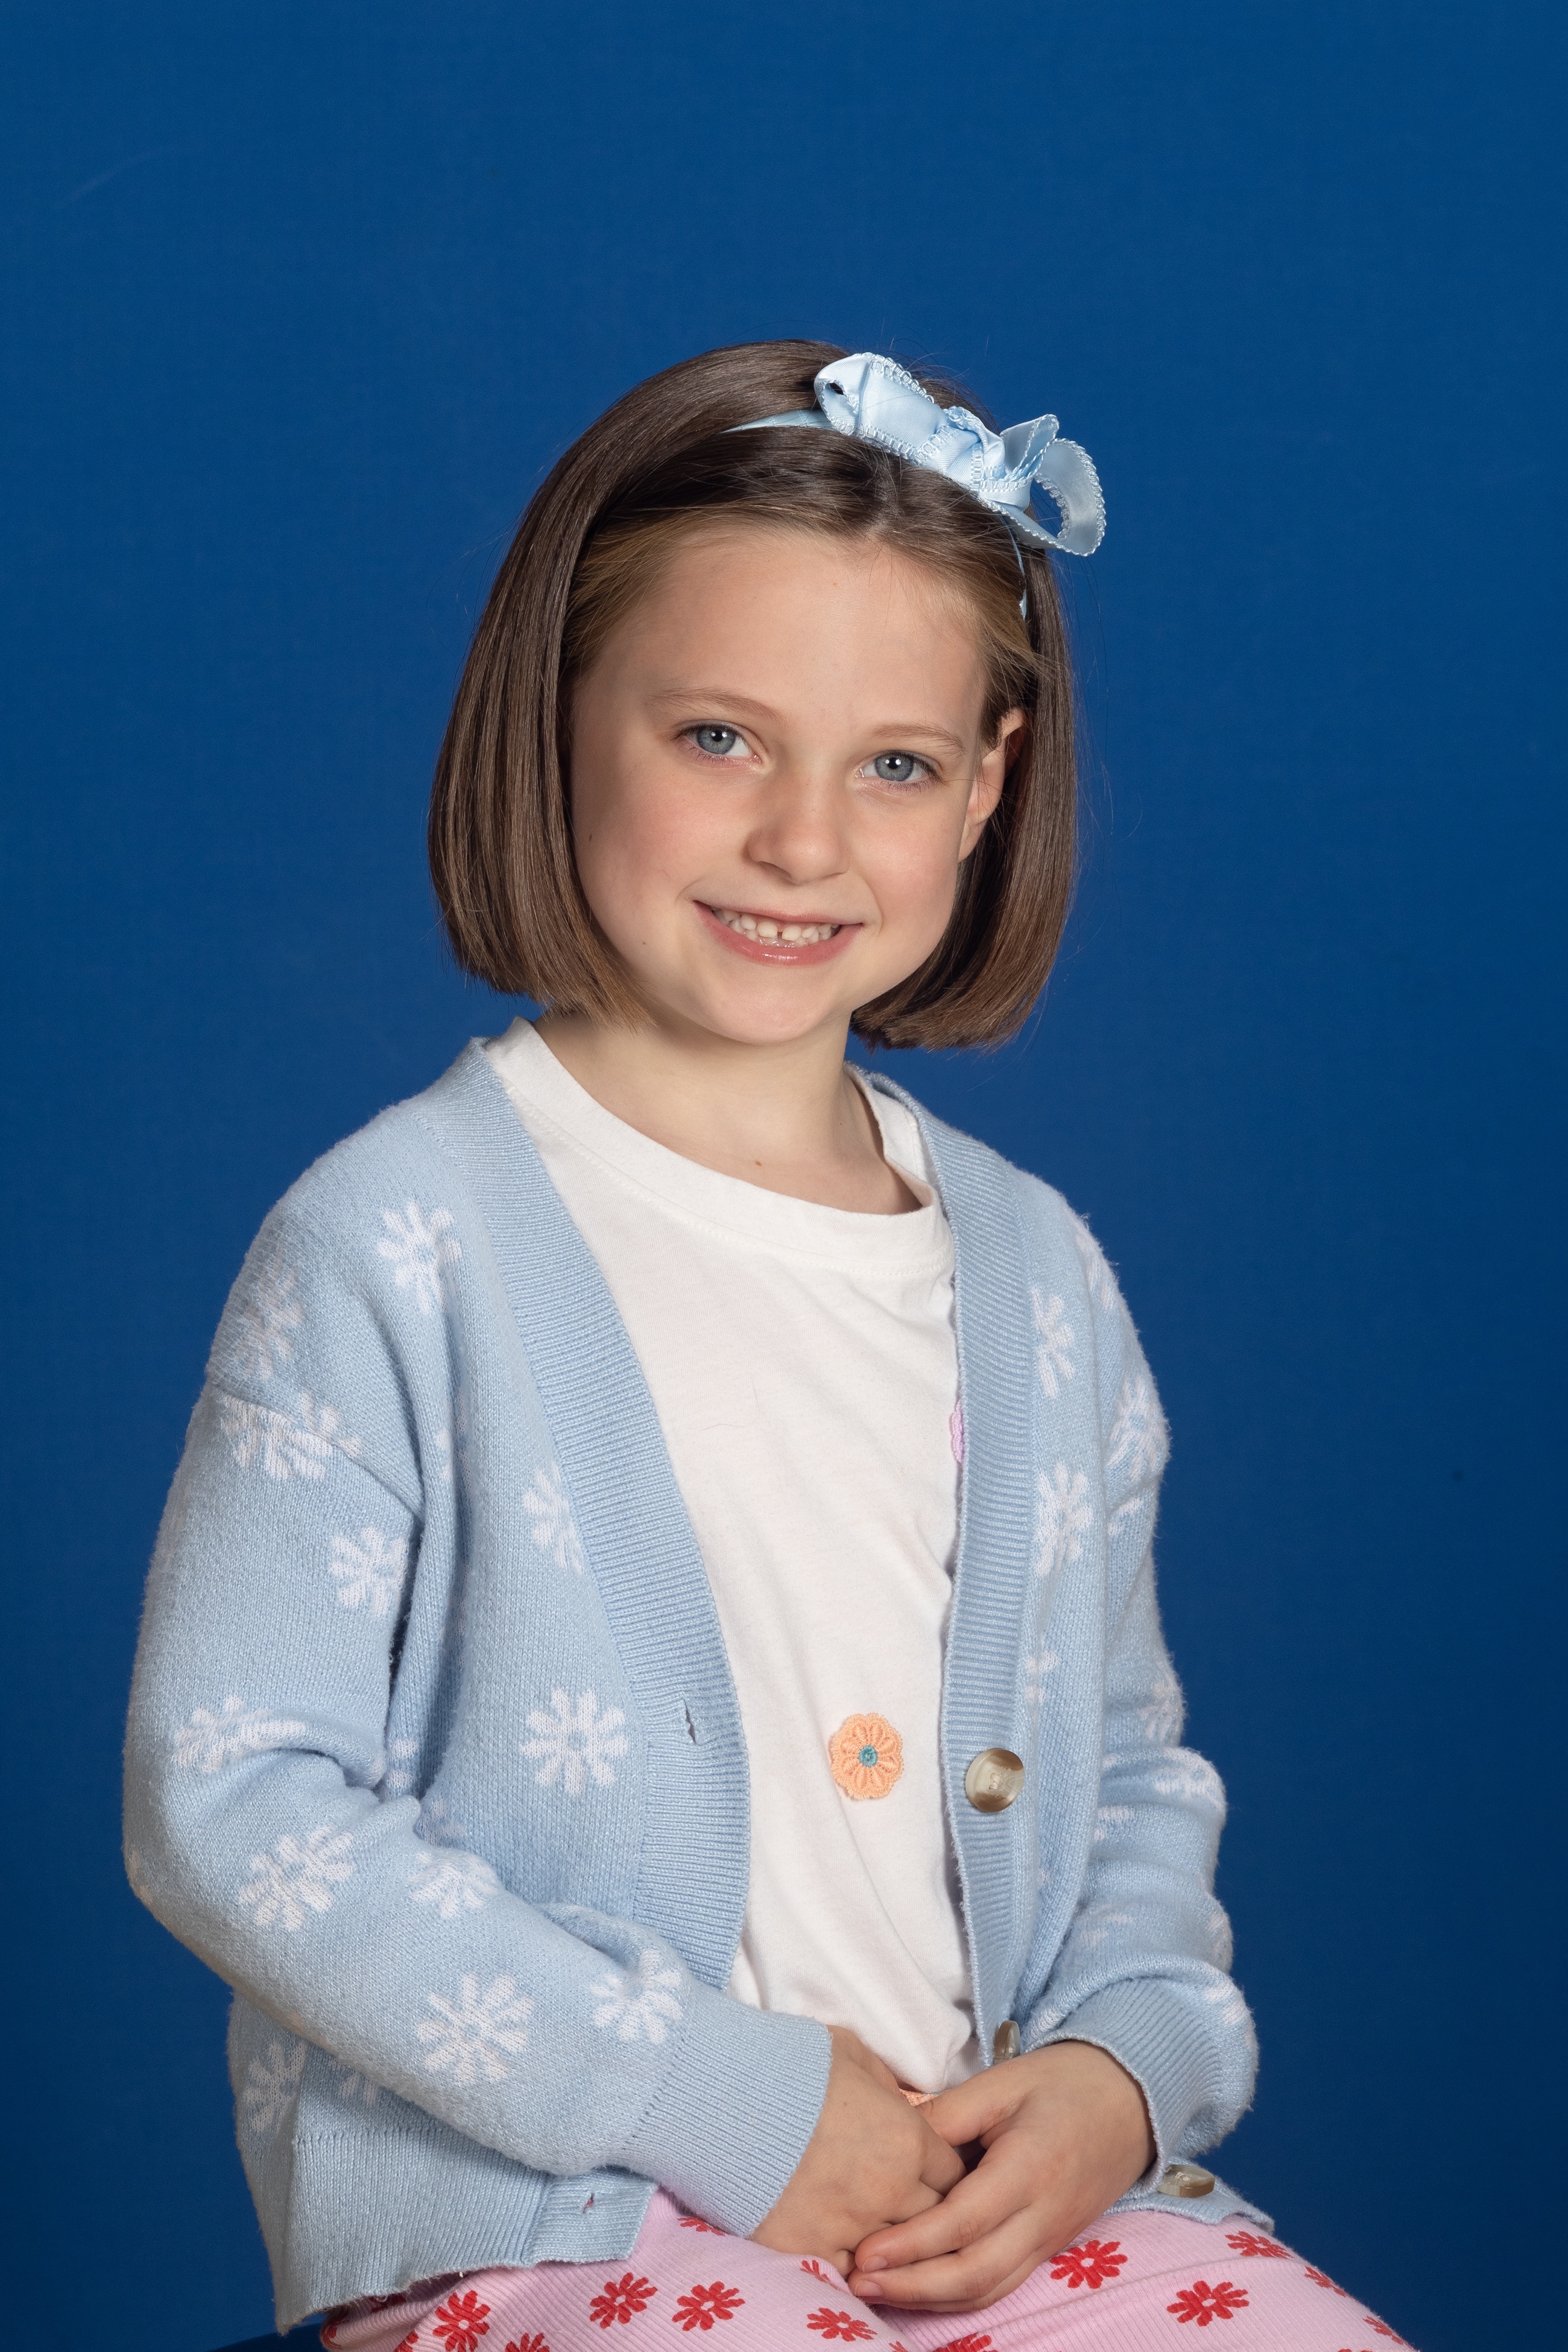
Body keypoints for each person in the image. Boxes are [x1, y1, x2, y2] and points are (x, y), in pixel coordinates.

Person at [125, 344, 1412, 2350]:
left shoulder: (1038, 1278)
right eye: (722, 735)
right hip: (556, 2216)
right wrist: (719, 2100)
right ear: (562, 716)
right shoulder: (401, 1242)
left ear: (987, 784)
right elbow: (232, 1798)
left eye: (894, 765)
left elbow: (1133, 1770)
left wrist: (1124, 2066)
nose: (806, 840)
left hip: (981, 2212)